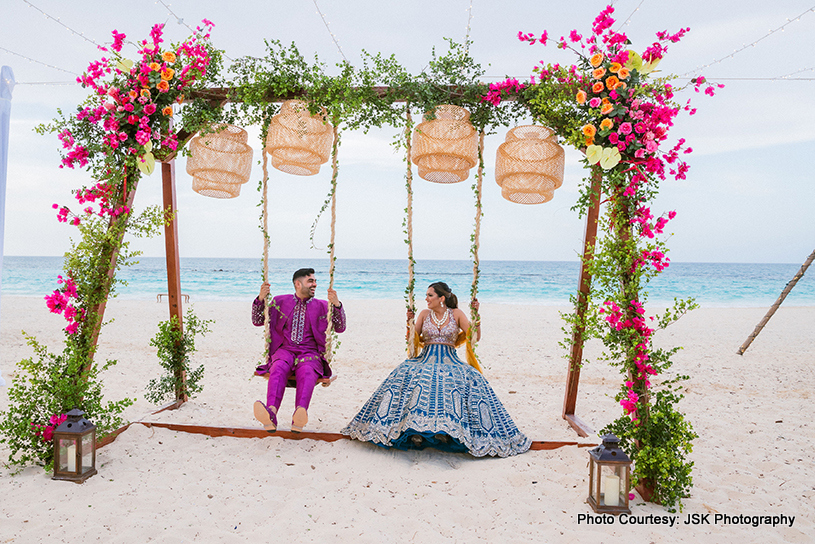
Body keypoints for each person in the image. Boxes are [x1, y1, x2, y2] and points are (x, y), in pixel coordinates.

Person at [341, 282, 530, 457]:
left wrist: (476, 316)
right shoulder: (424, 314)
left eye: (430, 295)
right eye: (426, 295)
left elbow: (474, 338)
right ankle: (414, 431)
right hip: (426, 358)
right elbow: (412, 342)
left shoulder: (456, 314)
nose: (426, 298)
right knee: (409, 374)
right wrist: (409, 324)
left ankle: (447, 432)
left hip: (450, 360)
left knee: (468, 378)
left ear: (442, 298)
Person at [252, 268, 346, 433]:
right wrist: (261, 298)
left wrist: (337, 304)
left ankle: (299, 415)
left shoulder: (323, 306)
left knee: (307, 369)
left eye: (315, 281)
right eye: (310, 281)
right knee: (278, 366)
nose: (314, 284)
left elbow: (340, 327)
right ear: (297, 283)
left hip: (310, 352)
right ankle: (271, 414)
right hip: (285, 350)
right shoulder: (279, 302)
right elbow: (257, 320)